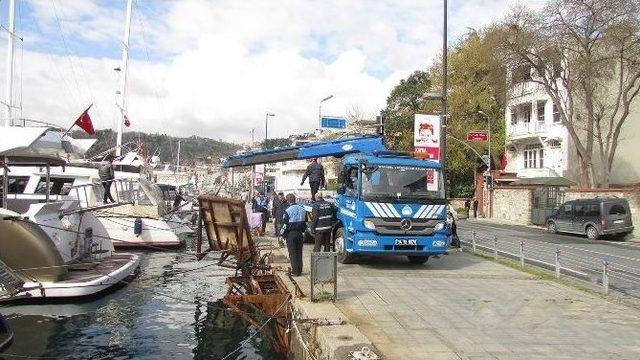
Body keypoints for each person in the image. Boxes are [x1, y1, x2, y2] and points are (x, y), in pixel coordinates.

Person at [280, 193, 306, 276]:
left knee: (292, 253)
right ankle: (300, 270)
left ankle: (295, 272)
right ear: (295, 199)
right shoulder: (302, 209)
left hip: (291, 234)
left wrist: (281, 234)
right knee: (299, 252)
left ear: (288, 201)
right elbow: (305, 221)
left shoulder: (287, 210)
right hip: (300, 233)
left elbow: (284, 224)